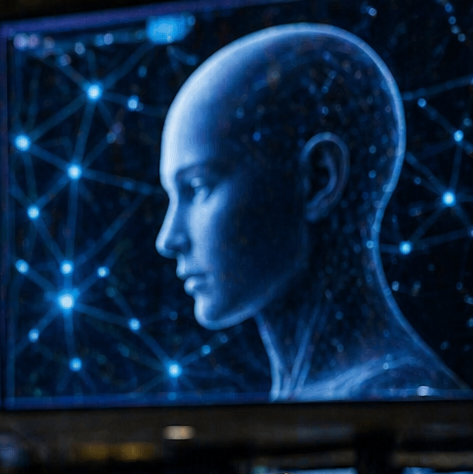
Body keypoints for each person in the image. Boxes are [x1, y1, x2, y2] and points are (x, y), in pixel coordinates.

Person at [155, 24, 468, 401]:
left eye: (199, 187)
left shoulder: (403, 408)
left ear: (319, 178)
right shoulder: (338, 400)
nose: (168, 239)